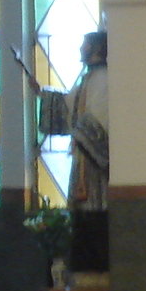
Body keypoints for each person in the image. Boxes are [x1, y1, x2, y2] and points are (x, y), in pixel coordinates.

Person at [37, 30, 110, 272]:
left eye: (84, 45)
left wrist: (79, 133)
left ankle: (97, 273)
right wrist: (44, 95)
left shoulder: (105, 80)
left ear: (96, 49)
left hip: (96, 167)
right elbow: (69, 106)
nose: (80, 49)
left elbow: (100, 123)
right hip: (82, 161)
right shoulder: (88, 79)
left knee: (97, 219)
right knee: (83, 221)